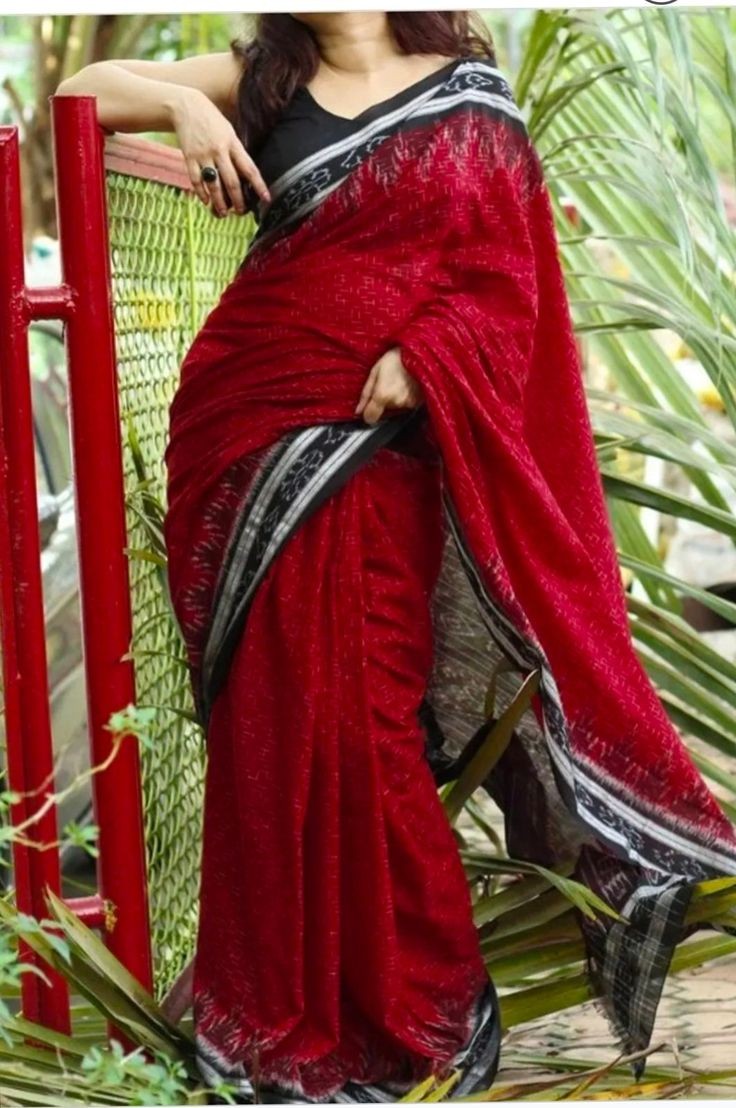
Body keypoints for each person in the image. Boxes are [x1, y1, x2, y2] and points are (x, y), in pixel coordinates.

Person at [57, 10, 736, 1105]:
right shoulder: (261, 77)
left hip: (384, 450)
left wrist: (430, 355)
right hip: (246, 432)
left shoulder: (470, 100)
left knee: (370, 724)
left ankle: (425, 1012)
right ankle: (286, 1017)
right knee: (271, 726)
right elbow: (78, 93)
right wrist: (183, 103)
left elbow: (510, 286)